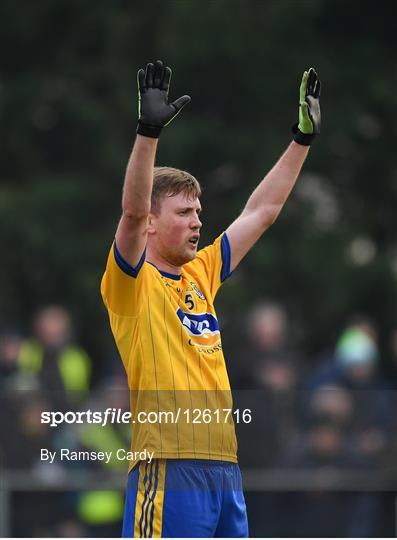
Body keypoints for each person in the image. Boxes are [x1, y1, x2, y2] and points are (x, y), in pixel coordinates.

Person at [100, 60, 321, 538]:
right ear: (154, 225)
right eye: (184, 211)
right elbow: (133, 212)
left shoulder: (201, 273)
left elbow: (262, 211)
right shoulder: (130, 283)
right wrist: (148, 133)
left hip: (225, 469)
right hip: (169, 467)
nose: (198, 221)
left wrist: (301, 140)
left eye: (199, 210)